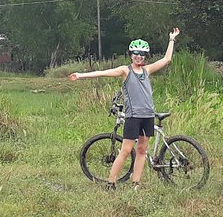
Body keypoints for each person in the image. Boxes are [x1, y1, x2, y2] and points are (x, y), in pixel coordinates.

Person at [68, 28, 180, 190]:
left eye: (142, 54)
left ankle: (136, 183)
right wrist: (80, 75)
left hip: (148, 115)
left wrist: (172, 39)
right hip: (133, 116)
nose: (139, 56)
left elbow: (167, 59)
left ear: (146, 56)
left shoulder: (147, 71)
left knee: (142, 150)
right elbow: (102, 73)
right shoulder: (125, 71)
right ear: (130, 54)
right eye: (136, 53)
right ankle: (111, 182)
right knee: (126, 150)